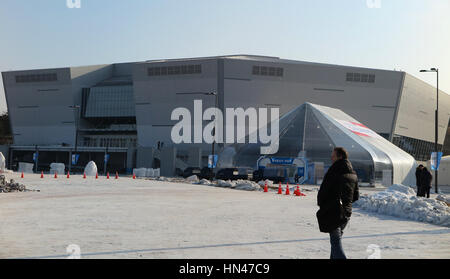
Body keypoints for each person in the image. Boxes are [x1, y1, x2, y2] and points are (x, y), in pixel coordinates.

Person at [317, 147, 359, 259]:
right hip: (346, 213)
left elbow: (324, 191)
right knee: (335, 241)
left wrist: (322, 203)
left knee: (335, 242)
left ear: (339, 157)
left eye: (333, 155)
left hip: (333, 212)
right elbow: (355, 196)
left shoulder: (334, 171)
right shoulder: (353, 174)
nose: (331, 157)